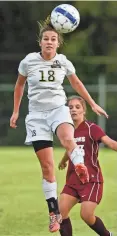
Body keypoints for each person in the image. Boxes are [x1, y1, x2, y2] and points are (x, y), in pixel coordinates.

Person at [10, 17, 108, 233]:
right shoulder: (28, 61)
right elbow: (19, 86)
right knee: (47, 168)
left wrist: (92, 103)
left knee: (67, 139)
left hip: (57, 110)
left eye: (53, 39)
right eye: (46, 39)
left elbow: (76, 83)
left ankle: (80, 166)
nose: (49, 42)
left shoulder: (63, 62)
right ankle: (54, 213)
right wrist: (16, 111)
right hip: (36, 116)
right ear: (40, 42)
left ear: (58, 43)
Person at [58, 95, 117, 236]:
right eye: (70, 107)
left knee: (86, 215)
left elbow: (111, 143)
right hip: (73, 179)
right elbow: (70, 147)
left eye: (77, 107)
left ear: (83, 110)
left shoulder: (92, 128)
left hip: (91, 180)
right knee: (61, 212)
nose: (73, 110)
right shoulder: (68, 130)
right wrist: (64, 160)